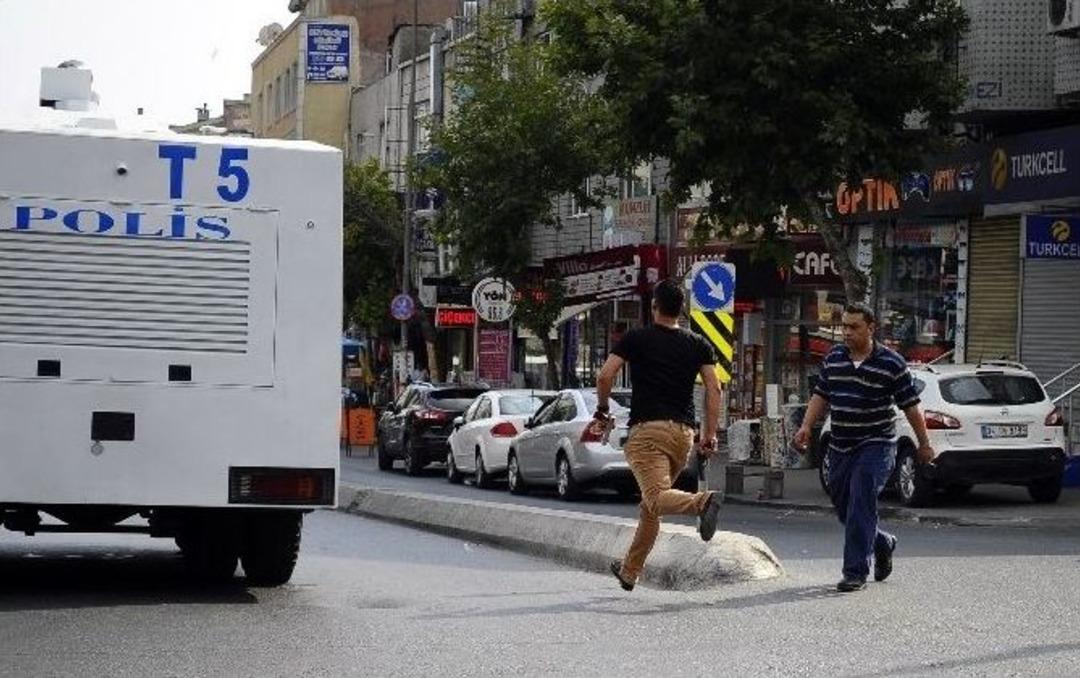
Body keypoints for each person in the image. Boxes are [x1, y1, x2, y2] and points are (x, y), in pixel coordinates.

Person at [594, 278, 723, 592]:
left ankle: (702, 502)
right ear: (682, 310)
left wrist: (602, 409)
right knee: (651, 506)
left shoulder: (636, 338)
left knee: (654, 497)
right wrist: (709, 434)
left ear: (654, 307)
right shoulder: (698, 343)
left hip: (648, 432)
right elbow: (714, 388)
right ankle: (629, 571)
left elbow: (605, 375)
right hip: (682, 435)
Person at [794, 302, 933, 593]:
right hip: (841, 445)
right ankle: (882, 542)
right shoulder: (833, 358)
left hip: (876, 443)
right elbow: (821, 394)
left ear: (871, 328)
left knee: (860, 501)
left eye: (853, 327)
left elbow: (911, 407)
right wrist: (806, 426)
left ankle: (855, 571)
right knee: (845, 507)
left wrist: (925, 444)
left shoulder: (891, 363)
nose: (846, 332)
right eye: (843, 326)